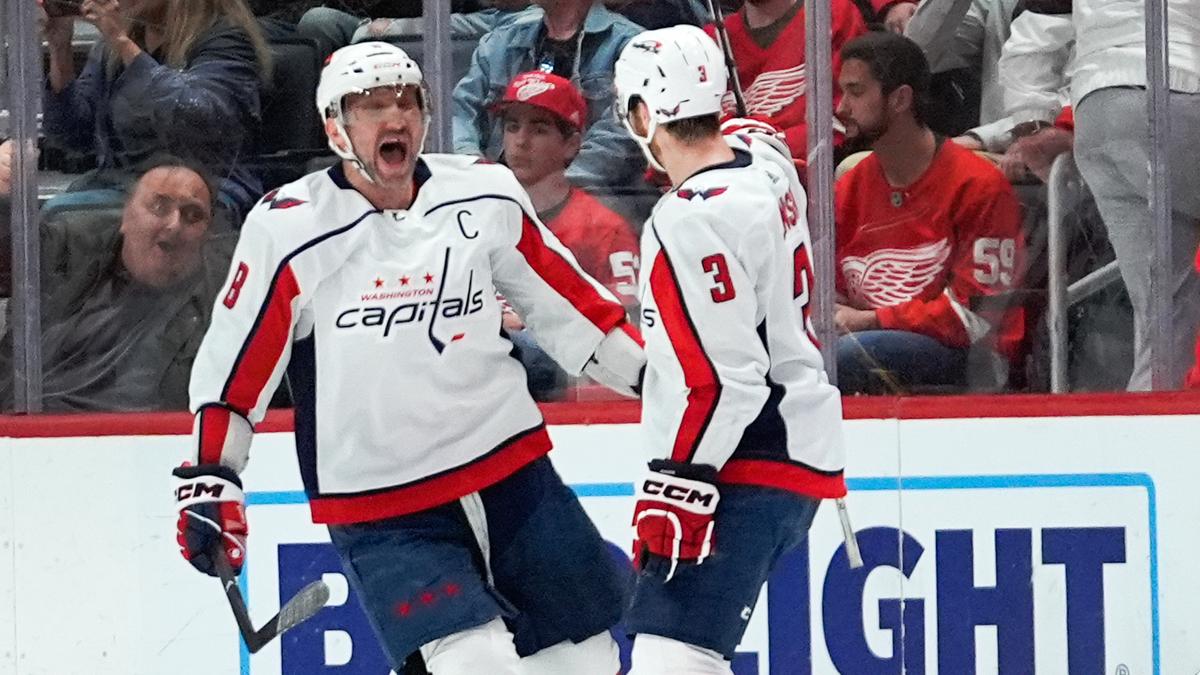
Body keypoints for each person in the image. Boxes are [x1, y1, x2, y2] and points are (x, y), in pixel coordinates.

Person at [170, 42, 644, 674]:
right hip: (383, 499)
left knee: (585, 658)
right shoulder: (289, 228)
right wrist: (212, 476)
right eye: (371, 105)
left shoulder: (484, 193)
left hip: (510, 471)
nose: (395, 117)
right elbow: (236, 371)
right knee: (474, 664)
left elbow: (574, 311)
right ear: (335, 127)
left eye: (407, 101)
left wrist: (663, 382)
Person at [612, 26, 847, 673]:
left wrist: (678, 483)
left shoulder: (687, 218)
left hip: (739, 462)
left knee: (672, 656)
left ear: (642, 115)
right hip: (795, 451)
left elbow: (722, 381)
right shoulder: (765, 162)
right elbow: (754, 137)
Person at [832, 32, 1025, 394]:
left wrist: (870, 320)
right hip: (872, 338)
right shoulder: (849, 187)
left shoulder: (979, 185)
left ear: (900, 99)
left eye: (855, 92)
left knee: (843, 356)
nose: (842, 108)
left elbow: (978, 317)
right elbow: (834, 292)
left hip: (967, 355)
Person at [0, 149, 234, 412]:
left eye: (193, 215)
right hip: (45, 427)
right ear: (125, 216)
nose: (174, 225)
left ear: (207, 235)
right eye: (160, 206)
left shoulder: (229, 300)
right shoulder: (66, 253)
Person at [40, 0, 271, 226]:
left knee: (66, 218)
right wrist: (60, 49)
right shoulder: (113, 47)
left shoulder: (226, 39)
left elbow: (197, 118)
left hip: (205, 188)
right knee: (55, 220)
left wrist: (123, 44)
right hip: (122, 182)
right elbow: (72, 137)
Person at [1069, 0, 1200, 390]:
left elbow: (1036, 27)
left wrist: (1030, 116)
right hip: (1177, 88)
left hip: (1094, 107)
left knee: (1163, 311)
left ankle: (1147, 418)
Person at [494, 70, 642, 399]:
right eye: (512, 127)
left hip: (566, 397)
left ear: (572, 144)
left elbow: (624, 336)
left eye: (539, 129)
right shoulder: (482, 218)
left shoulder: (604, 229)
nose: (520, 141)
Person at [452, 0, 645, 189]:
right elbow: (459, 112)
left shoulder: (631, 46)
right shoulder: (502, 41)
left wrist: (555, 188)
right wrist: (474, 169)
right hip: (497, 191)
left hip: (592, 194)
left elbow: (622, 133)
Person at [704, 0, 869, 161]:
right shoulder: (709, 42)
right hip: (735, 172)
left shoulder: (832, 14)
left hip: (816, 169)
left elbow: (847, 122)